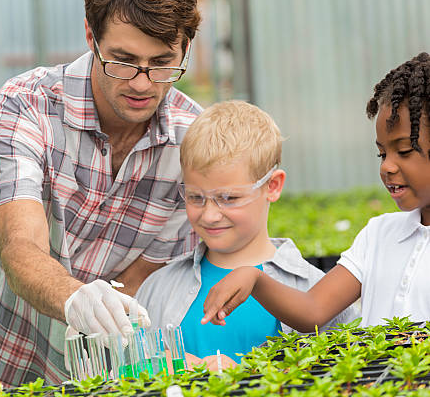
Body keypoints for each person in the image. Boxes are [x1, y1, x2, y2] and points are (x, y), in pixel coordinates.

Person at [0, 0, 202, 388]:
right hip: (8, 361)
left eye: (162, 63)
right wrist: (75, 298)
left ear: (185, 48)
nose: (143, 83)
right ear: (91, 36)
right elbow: (21, 246)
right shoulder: (25, 106)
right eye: (123, 61)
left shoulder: (191, 141)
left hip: (113, 373)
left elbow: (142, 279)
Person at [202, 52, 430, 332]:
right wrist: (255, 279)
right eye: (381, 154)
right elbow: (313, 310)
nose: (387, 167)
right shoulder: (379, 235)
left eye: (404, 151)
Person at [136, 101, 358, 367]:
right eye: (195, 197)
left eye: (228, 198)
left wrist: (244, 377)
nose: (209, 215)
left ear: (273, 186)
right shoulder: (156, 289)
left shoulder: (315, 291)